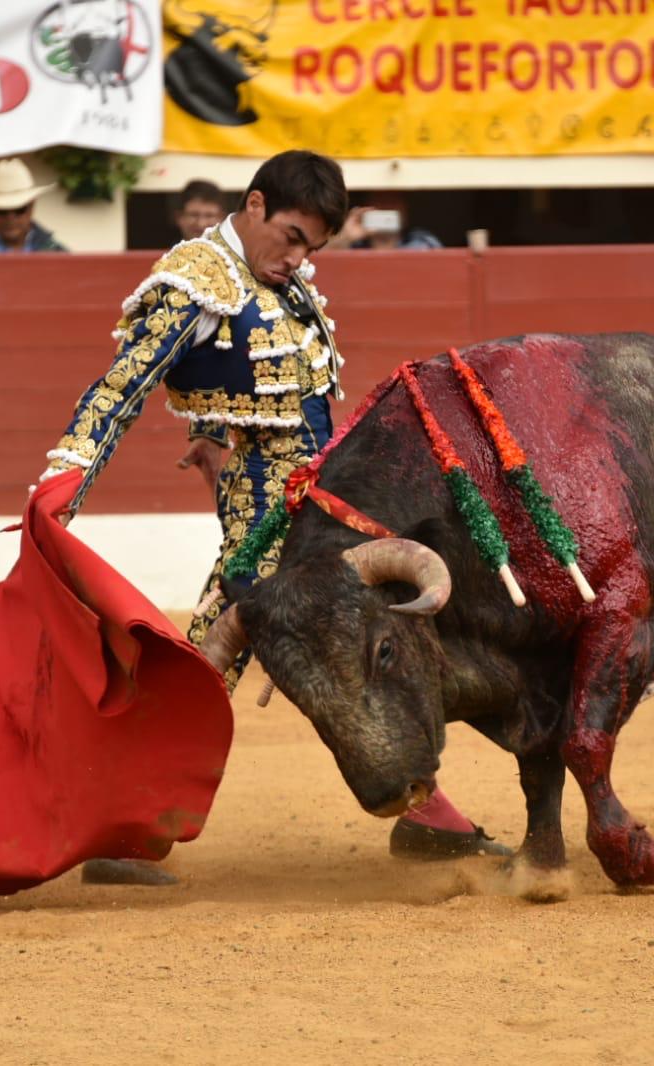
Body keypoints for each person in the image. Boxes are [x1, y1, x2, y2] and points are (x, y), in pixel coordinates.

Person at [38, 149, 509, 876]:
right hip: (265, 503)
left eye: (311, 247)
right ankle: (126, 828)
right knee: (233, 649)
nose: (298, 258)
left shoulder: (274, 278)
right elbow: (122, 386)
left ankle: (421, 811)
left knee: (314, 640)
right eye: (292, 237)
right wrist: (67, 476)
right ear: (255, 204)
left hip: (319, 497)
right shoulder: (196, 279)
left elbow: (244, 374)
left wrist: (207, 428)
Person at [0, 158, 68, 254]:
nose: (10, 218)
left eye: (19, 209)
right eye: (1, 210)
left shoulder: (57, 254)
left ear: (31, 206)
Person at [330, 192, 443, 249]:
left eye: (393, 202)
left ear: (405, 210)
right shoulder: (352, 245)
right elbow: (321, 265)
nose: (386, 207)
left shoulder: (423, 242)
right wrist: (345, 237)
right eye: (380, 201)